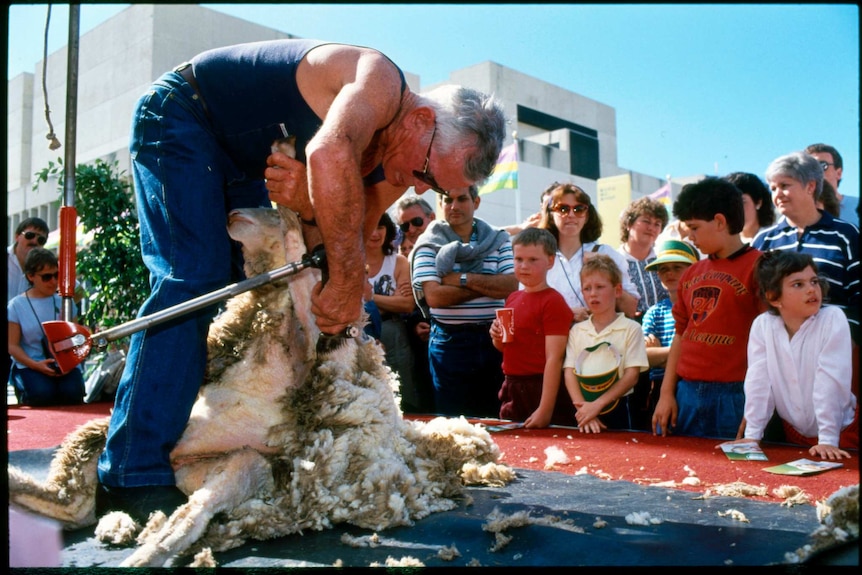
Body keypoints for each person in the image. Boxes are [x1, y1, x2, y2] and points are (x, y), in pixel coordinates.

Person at [98, 39, 507, 521]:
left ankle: (203, 436)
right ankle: (132, 469)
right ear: (421, 121)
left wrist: (310, 208)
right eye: (425, 174)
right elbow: (328, 153)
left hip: (241, 159)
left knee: (242, 291)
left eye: (432, 188)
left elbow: (339, 239)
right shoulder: (378, 82)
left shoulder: (402, 157)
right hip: (184, 114)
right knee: (194, 278)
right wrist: (345, 273)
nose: (417, 187)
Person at [651, 177, 763, 440]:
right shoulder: (691, 274)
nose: (690, 236)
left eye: (694, 228)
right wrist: (666, 394)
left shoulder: (760, 267)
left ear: (720, 222)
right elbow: (681, 334)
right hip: (685, 394)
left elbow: (769, 344)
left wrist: (758, 405)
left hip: (736, 396)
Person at [730, 251, 858, 459]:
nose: (811, 289)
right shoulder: (763, 325)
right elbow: (758, 381)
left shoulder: (832, 318)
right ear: (773, 297)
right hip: (796, 435)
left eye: (814, 281)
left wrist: (827, 440)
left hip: (842, 432)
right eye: (798, 284)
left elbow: (830, 380)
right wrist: (752, 436)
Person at [411, 185, 517, 417]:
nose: (454, 206)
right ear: (440, 204)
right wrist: (488, 284)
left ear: (476, 202)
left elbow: (510, 286)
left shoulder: (498, 239)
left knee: (496, 420)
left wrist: (461, 279)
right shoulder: (427, 244)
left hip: (494, 340)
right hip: (449, 343)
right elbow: (435, 297)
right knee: (453, 422)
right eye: (448, 199)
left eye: (462, 198)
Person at [753, 152, 859, 345]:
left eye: (784, 185)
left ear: (810, 186)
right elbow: (754, 299)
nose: (777, 194)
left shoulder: (846, 234)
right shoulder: (763, 240)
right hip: (777, 350)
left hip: (835, 347)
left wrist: (849, 340)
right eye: (773, 188)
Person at [490, 228, 575, 428]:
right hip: (511, 385)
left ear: (550, 261)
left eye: (533, 260)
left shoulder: (553, 301)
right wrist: (495, 335)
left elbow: (555, 358)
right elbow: (505, 348)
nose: (524, 266)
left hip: (540, 386)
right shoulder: (513, 297)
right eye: (518, 259)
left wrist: (545, 409)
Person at [562, 255, 649, 432]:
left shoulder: (631, 329)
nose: (593, 293)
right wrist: (584, 410)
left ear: (617, 290)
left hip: (619, 409)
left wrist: (597, 405)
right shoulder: (577, 331)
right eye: (587, 288)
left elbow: (631, 376)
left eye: (600, 287)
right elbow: (569, 372)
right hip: (583, 410)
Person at [539, 182, 639, 323]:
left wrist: (606, 267)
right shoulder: (538, 257)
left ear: (586, 216)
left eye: (579, 209)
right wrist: (567, 314)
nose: (571, 215)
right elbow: (529, 309)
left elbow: (630, 308)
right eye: (563, 209)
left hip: (599, 341)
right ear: (551, 215)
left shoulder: (606, 253)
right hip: (554, 342)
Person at [7, 248, 85, 406]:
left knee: (73, 394)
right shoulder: (16, 305)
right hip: (32, 363)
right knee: (42, 395)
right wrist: (35, 365)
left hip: (64, 363)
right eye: (46, 277)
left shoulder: (65, 301)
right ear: (31, 276)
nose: (53, 281)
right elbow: (12, 345)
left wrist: (70, 363)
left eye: (56, 275)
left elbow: (77, 337)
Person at [363, 212, 417, 412]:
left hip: (393, 333)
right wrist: (390, 300)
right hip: (360, 334)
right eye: (370, 227)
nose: (376, 233)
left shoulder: (399, 261)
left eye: (381, 227)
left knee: (403, 395)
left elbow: (406, 305)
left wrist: (368, 296)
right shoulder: (352, 261)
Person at [640, 240, 699, 424]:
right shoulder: (655, 312)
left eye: (677, 267)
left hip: (693, 386)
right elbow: (642, 357)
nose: (670, 273)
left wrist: (663, 356)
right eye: (663, 269)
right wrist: (680, 354)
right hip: (658, 389)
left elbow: (699, 354)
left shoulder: (702, 308)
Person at [723, 172, 774, 245]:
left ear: (758, 202)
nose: (735, 209)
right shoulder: (724, 246)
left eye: (742, 202)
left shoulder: (775, 239)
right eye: (729, 204)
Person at [8, 217, 50, 303]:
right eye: (30, 235)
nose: (35, 241)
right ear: (17, 237)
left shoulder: (45, 266)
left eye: (41, 240)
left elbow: (78, 292)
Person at [804, 143, 847, 219]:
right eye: (808, 167)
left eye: (822, 165)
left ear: (838, 173)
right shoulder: (789, 214)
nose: (815, 172)